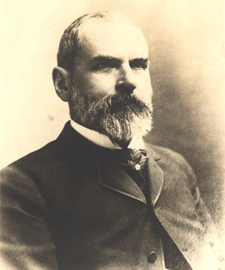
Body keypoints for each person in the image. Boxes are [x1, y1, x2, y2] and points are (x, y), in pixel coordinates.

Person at [0, 11, 222, 270]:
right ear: (63, 84)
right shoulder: (21, 188)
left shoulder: (176, 166)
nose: (128, 81)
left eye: (138, 65)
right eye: (104, 65)